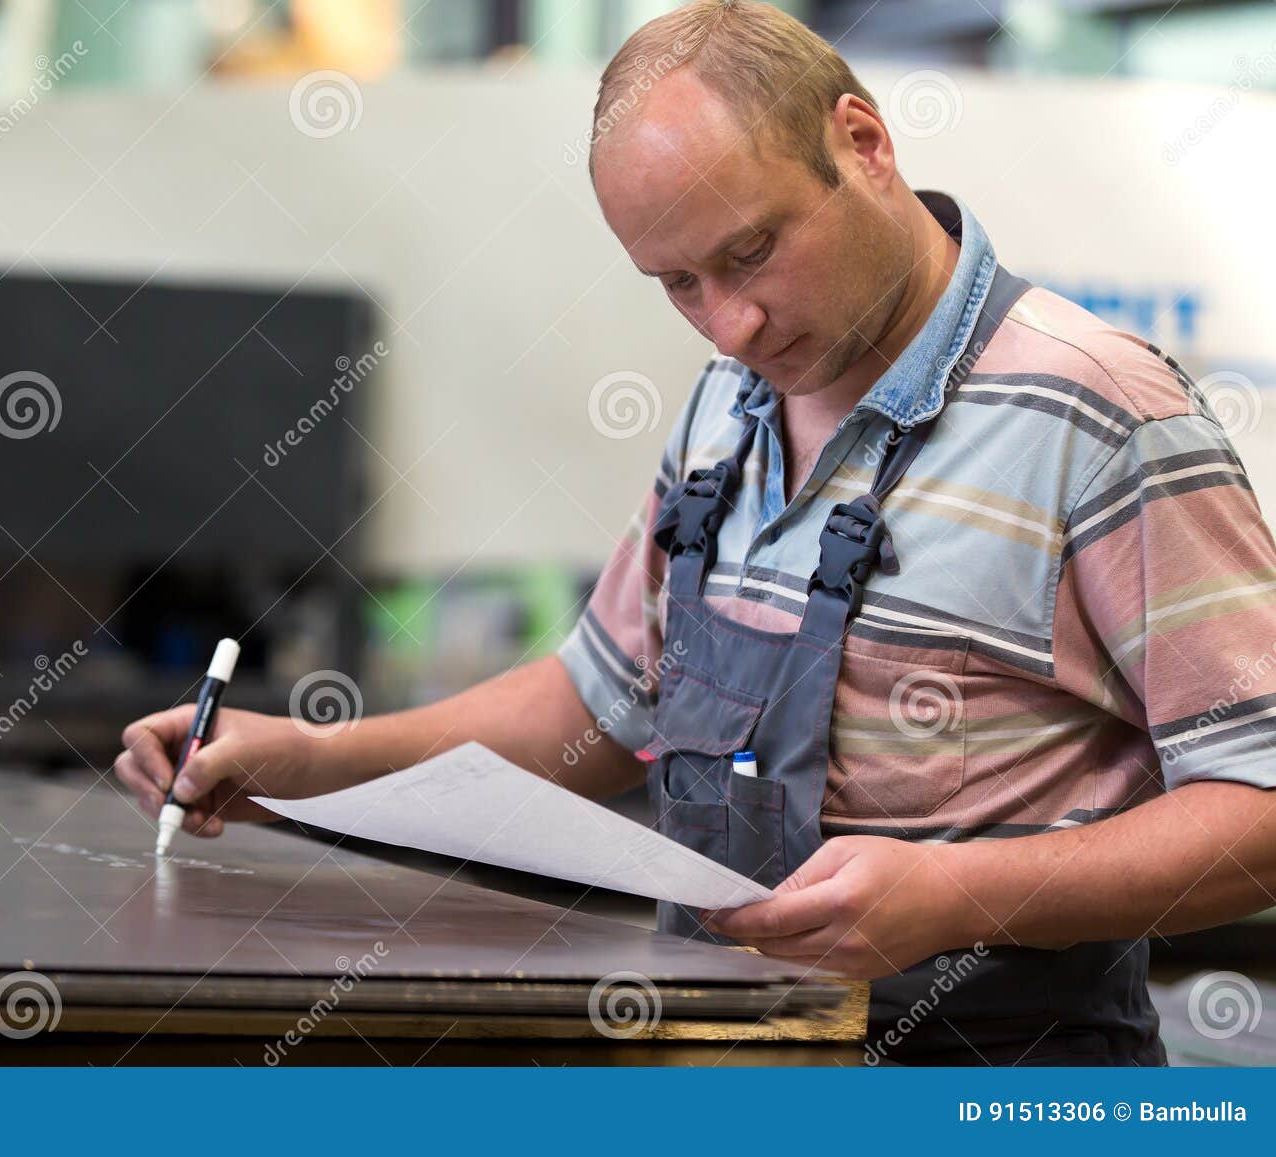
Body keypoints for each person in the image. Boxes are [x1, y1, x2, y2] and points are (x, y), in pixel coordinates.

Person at [114, 0, 1276, 1065]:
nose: (731, 322)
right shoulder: (729, 404)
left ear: (863, 144)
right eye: (676, 282)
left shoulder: (1101, 418)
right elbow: (600, 708)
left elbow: (1261, 806)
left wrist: (963, 894)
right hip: (724, 1062)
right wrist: (309, 764)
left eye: (751, 251)